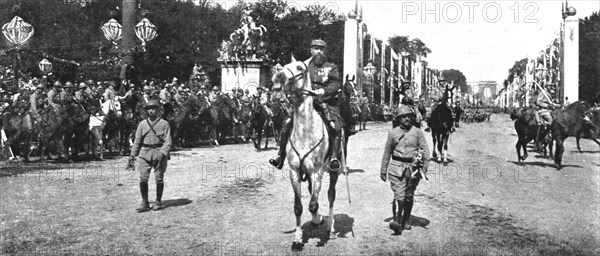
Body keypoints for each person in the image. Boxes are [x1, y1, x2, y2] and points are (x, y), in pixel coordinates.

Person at [269, 39, 343, 170]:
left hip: (325, 102)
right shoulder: (304, 66)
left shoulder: (331, 67)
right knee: (286, 124)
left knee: (335, 127)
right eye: (315, 48)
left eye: (321, 49)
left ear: (325, 51)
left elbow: (336, 84)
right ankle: (280, 156)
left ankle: (333, 158)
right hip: (304, 102)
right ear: (311, 50)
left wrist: (322, 91)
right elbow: (291, 79)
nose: (318, 51)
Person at [380, 105, 430, 235]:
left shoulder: (417, 132)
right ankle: (397, 221)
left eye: (409, 116)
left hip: (413, 170)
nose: (407, 119)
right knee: (399, 195)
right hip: (396, 168)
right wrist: (383, 169)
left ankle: (406, 219)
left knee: (409, 196)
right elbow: (387, 152)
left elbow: (425, 150)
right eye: (403, 117)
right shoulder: (393, 133)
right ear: (399, 119)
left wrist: (424, 166)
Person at [128, 100, 172, 212]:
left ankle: (158, 201)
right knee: (143, 177)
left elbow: (168, 141)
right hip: (145, 153)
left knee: (159, 178)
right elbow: (137, 141)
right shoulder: (142, 124)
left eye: (153, 108)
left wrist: (162, 153)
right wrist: (132, 156)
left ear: (157, 110)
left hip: (159, 152)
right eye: (148, 108)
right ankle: (145, 202)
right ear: (146, 110)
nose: (151, 110)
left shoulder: (164, 124)